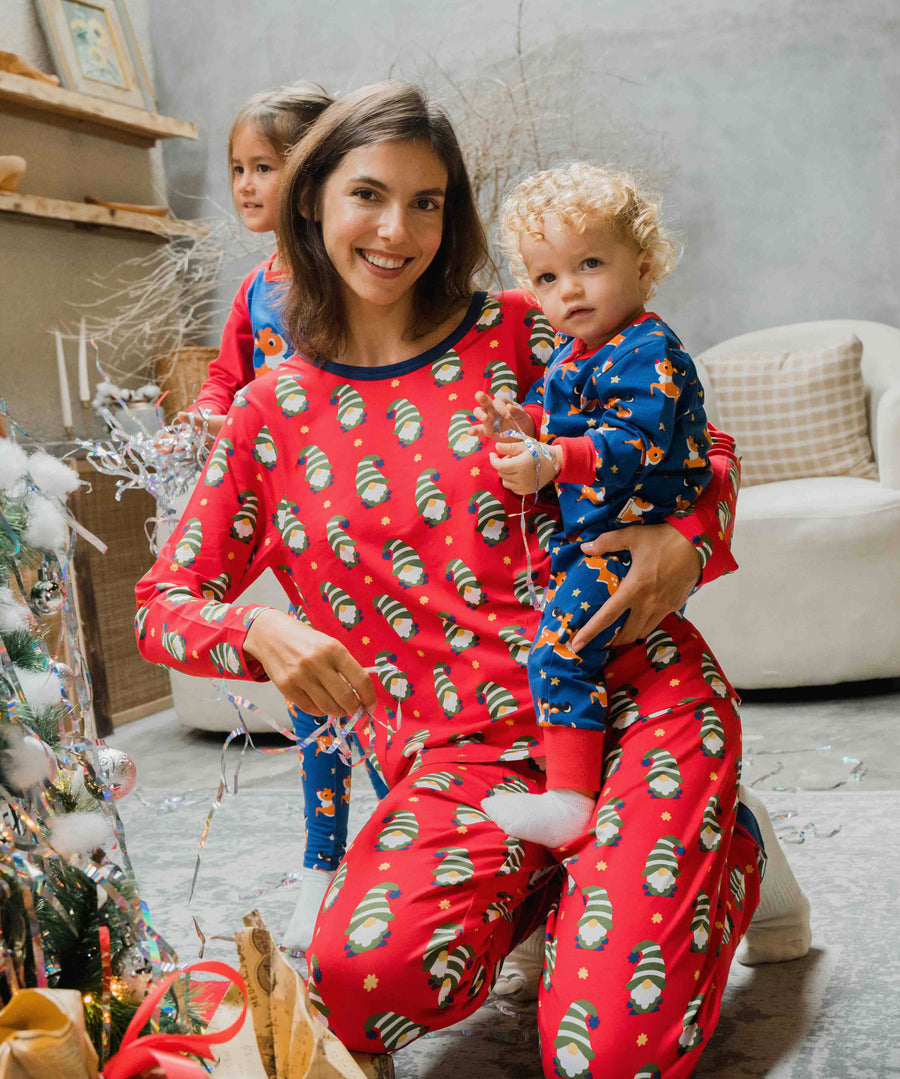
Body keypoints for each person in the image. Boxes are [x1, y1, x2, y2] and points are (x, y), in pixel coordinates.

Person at [135, 81, 805, 1078]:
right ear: (311, 199)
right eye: (369, 194)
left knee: (607, 1053)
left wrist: (685, 544)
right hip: (458, 763)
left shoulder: (529, 330)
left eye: (429, 200)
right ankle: (557, 882)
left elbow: (699, 448)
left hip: (628, 699)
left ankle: (723, 850)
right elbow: (162, 602)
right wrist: (259, 632)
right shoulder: (268, 413)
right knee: (357, 984)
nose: (397, 229)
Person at [177, 82, 388, 953]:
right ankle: (322, 861)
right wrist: (204, 413)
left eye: (266, 167)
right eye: (238, 170)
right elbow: (227, 381)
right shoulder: (254, 289)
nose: (247, 186)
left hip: (363, 520)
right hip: (285, 525)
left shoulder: (357, 281)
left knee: (380, 694)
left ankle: (409, 834)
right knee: (314, 699)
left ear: (317, 176)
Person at [473, 163, 712, 850]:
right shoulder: (576, 354)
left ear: (643, 267)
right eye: (547, 278)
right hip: (596, 539)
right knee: (596, 667)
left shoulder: (647, 350)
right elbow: (557, 416)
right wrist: (521, 422)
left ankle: (571, 801)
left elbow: (631, 443)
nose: (569, 288)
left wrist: (551, 459)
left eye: (590, 264)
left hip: (632, 534)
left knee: (560, 654)